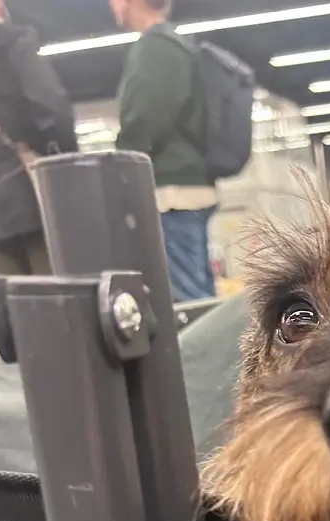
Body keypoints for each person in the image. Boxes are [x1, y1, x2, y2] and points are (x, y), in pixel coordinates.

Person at [110, 0, 218, 301]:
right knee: (201, 295)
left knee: (186, 300)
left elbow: (144, 119)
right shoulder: (176, 45)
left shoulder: (156, 47)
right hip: (189, 187)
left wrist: (119, 166)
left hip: (172, 194)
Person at [0, 0, 77, 274]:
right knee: (53, 286)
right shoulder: (14, 45)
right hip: (27, 193)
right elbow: (52, 107)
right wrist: (62, 160)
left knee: (6, 295)